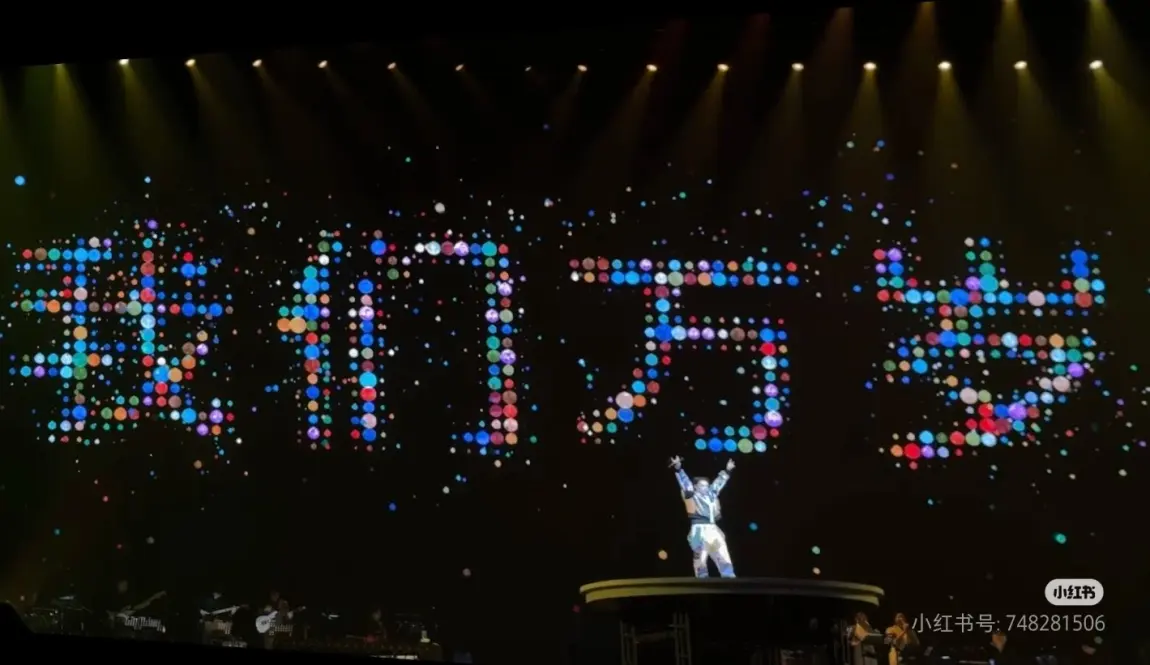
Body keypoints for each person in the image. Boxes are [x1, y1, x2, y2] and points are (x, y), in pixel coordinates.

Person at [670, 456, 736, 578]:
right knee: (701, 558)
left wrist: (727, 470)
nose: (705, 488)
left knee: (722, 553)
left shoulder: (711, 494)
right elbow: (685, 483)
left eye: (706, 486)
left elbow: (718, 483)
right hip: (698, 528)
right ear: (696, 486)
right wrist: (679, 469)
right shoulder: (692, 494)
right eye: (702, 486)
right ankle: (702, 579)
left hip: (712, 528)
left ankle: (729, 578)